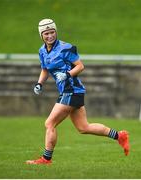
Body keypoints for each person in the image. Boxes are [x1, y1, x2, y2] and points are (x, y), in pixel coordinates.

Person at [26, 19, 130, 165]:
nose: (50, 36)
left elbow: (80, 66)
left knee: (49, 123)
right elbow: (45, 69)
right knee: (83, 127)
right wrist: (39, 84)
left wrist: (68, 74)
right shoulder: (42, 51)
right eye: (46, 33)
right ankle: (120, 136)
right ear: (41, 35)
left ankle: (46, 159)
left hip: (72, 90)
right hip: (69, 91)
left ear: (56, 32)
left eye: (52, 32)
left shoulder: (66, 48)